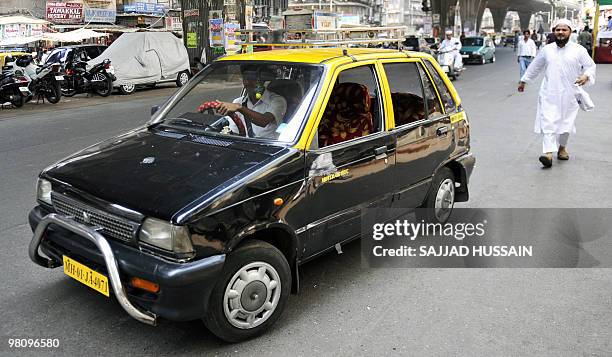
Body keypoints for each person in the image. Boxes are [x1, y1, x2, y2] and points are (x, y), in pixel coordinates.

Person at [517, 19, 596, 168]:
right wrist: (524, 81)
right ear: (554, 32)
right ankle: (547, 153)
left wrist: (586, 75)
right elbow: (535, 66)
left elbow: (590, 66)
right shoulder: (547, 49)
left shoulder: (579, 50)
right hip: (549, 92)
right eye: (557, 30)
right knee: (548, 121)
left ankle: (562, 148)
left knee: (566, 123)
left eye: (564, 30)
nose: (560, 32)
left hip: (570, 93)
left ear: (570, 32)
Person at [216, 65, 287, 139]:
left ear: (262, 81)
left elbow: (264, 121)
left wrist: (240, 108)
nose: (247, 83)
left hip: (267, 147)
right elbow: (234, 131)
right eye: (245, 79)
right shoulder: (238, 101)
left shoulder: (277, 100)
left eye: (252, 79)